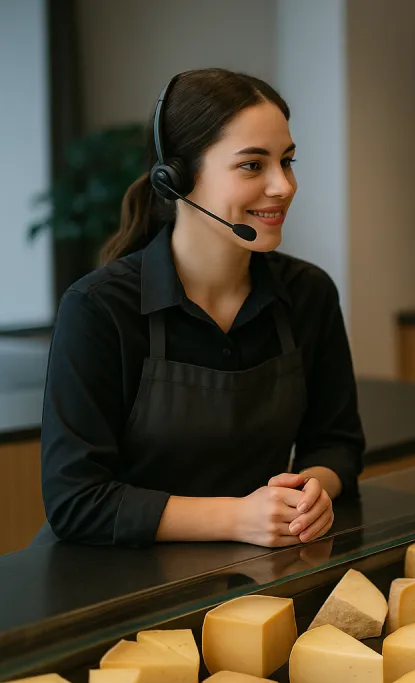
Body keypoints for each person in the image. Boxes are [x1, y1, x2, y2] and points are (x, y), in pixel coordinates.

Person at [38, 68, 365, 549]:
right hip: (118, 579)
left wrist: (312, 490)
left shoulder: (309, 293)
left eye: (287, 161)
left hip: (259, 569)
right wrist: (237, 519)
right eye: (252, 165)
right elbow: (75, 500)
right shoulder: (98, 309)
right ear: (176, 179)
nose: (284, 186)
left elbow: (337, 443)